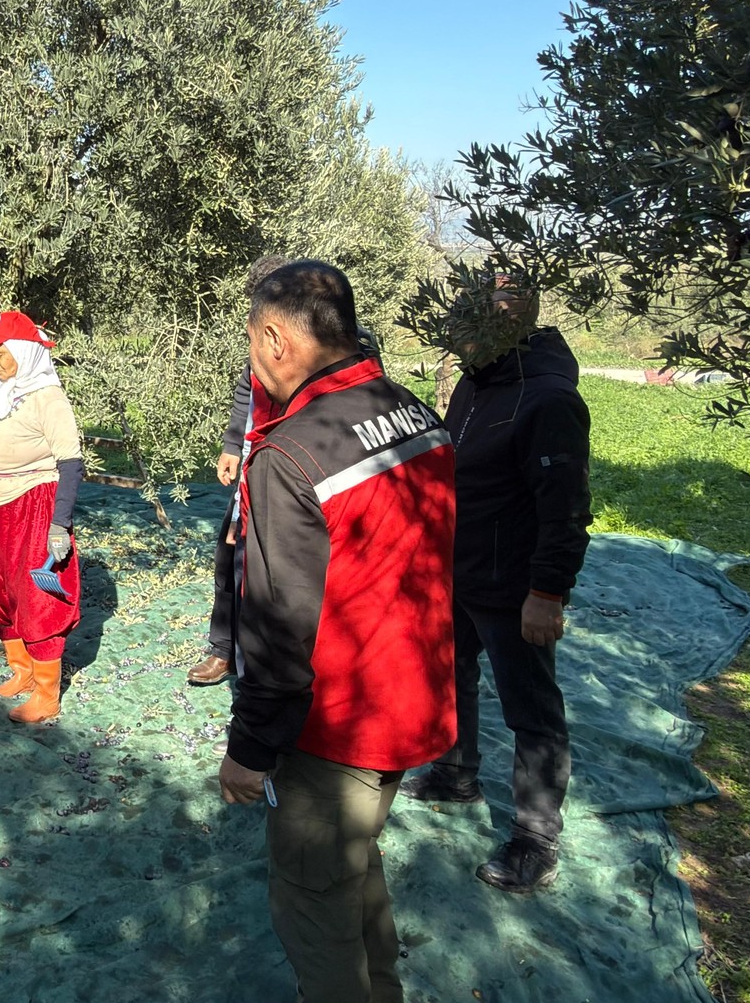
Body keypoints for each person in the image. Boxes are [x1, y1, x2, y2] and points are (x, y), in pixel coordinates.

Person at [218, 260, 457, 1003]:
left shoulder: (288, 454)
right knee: (353, 872)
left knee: (314, 903)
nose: (253, 364)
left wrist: (249, 751)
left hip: (339, 728)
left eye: (253, 346)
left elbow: (278, 626)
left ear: (276, 338)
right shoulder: (413, 411)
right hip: (417, 699)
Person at [402, 277, 591, 894]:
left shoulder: (548, 400)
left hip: (515, 587)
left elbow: (565, 508)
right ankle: (455, 774)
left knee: (531, 709)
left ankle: (536, 839)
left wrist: (548, 592)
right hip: (460, 572)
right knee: (452, 674)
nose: (452, 333)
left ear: (507, 326)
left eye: (464, 322)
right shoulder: (477, 386)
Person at [0, 310, 83, 724]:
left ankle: (47, 696)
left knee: (38, 595)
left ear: (22, 352)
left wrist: (59, 523)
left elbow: (70, 462)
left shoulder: (48, 398)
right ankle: (22, 671)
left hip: (31, 503)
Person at [189, 254, 291, 687]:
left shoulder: (325, 343)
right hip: (254, 461)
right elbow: (246, 390)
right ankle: (223, 648)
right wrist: (233, 444)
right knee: (229, 553)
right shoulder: (259, 345)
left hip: (293, 468)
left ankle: (268, 660)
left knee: (275, 566)